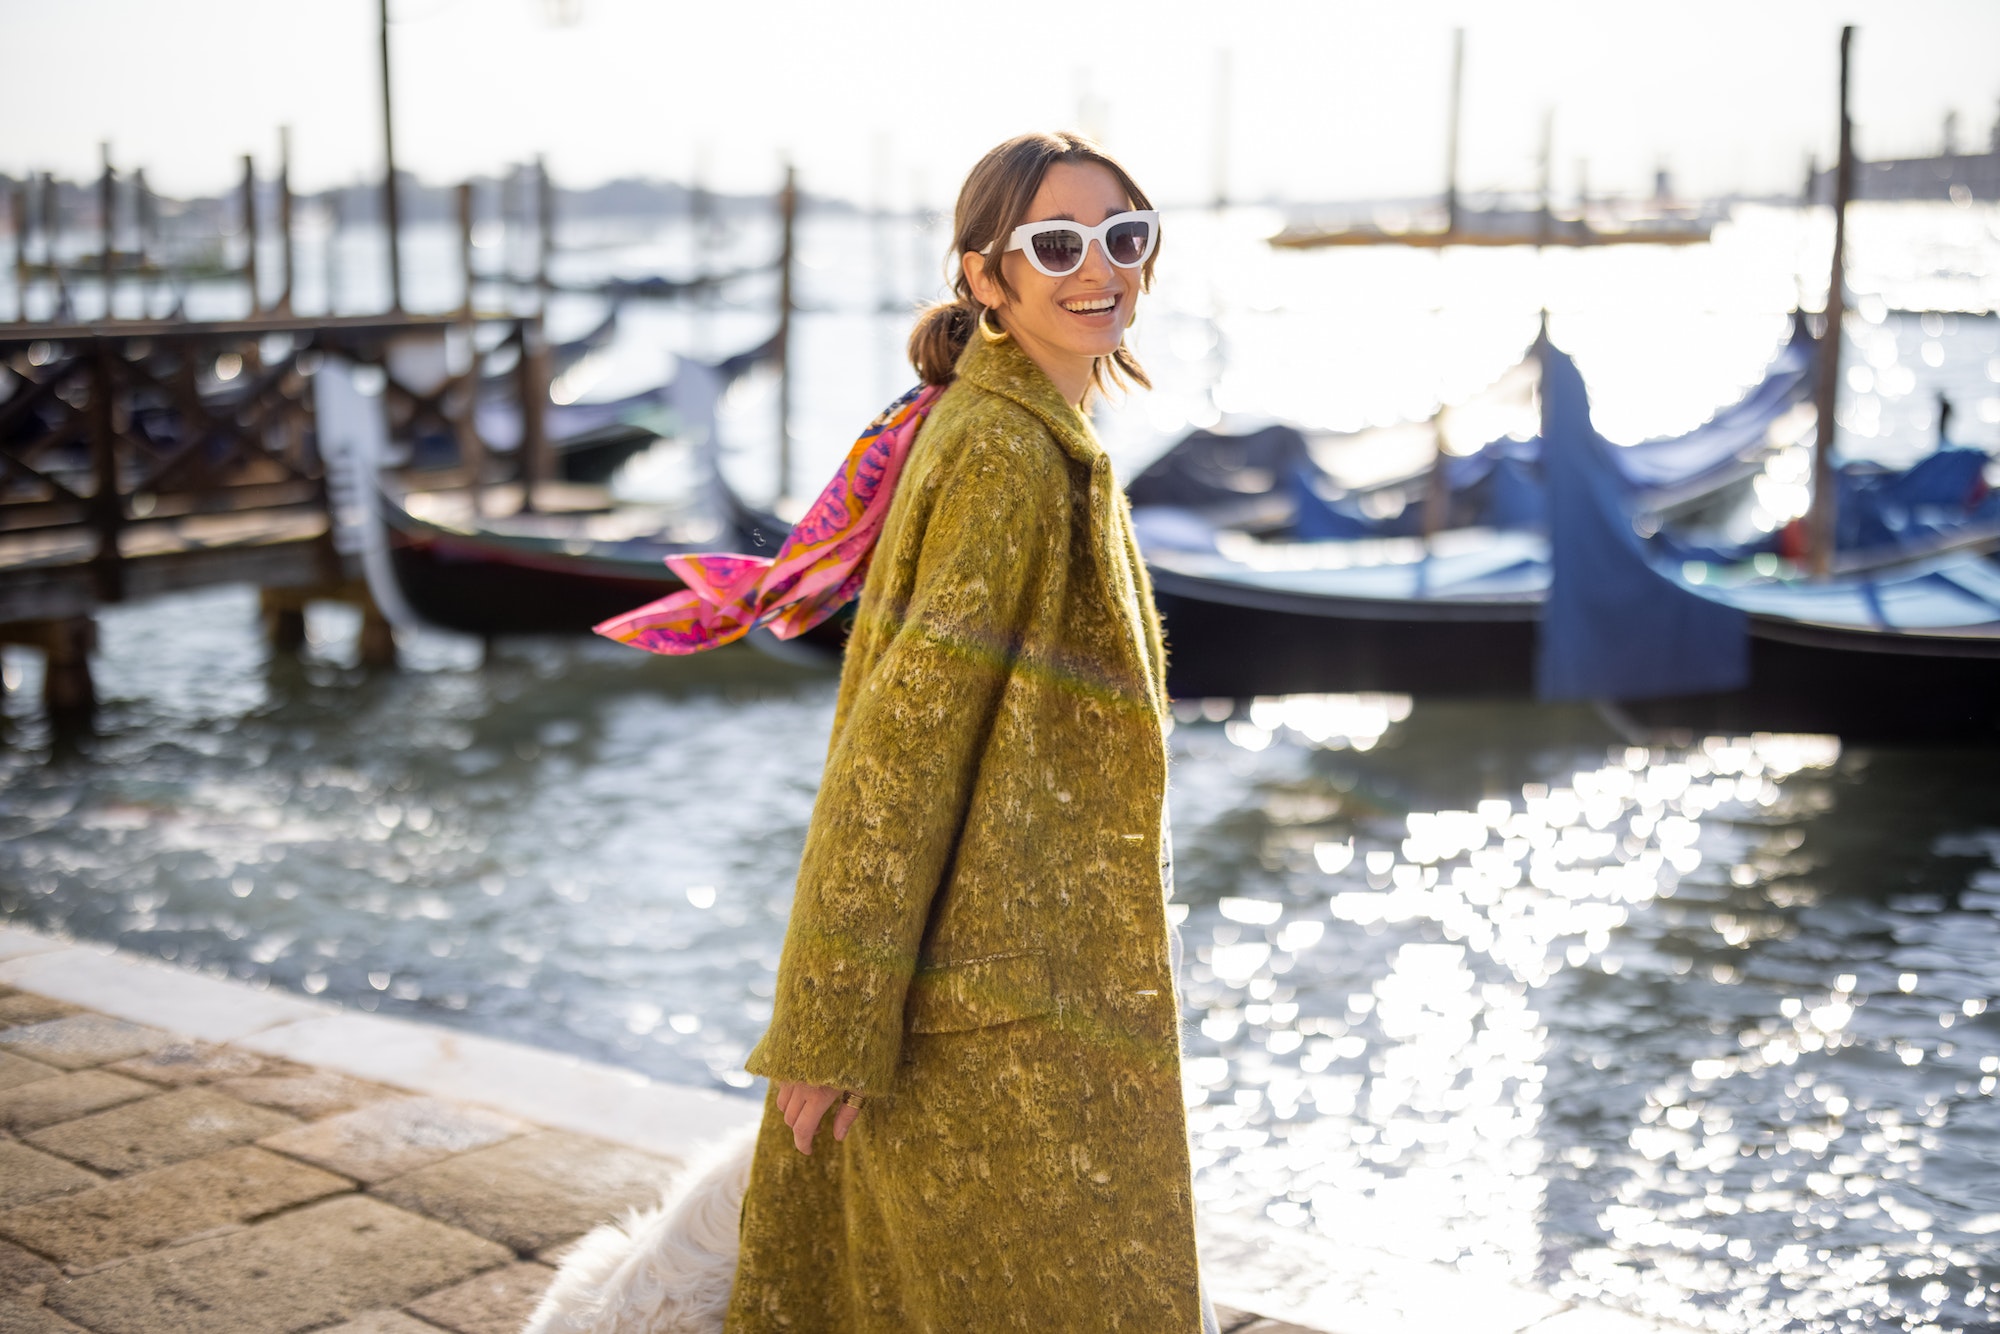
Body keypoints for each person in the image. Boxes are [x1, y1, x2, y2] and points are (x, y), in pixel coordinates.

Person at [724, 132, 1214, 1333]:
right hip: (998, 1017)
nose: (1098, 268)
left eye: (1123, 237)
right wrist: (829, 1021)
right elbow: (900, 747)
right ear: (984, 279)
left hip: (1026, 986)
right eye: (1055, 244)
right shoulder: (1001, 453)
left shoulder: (1032, 431)